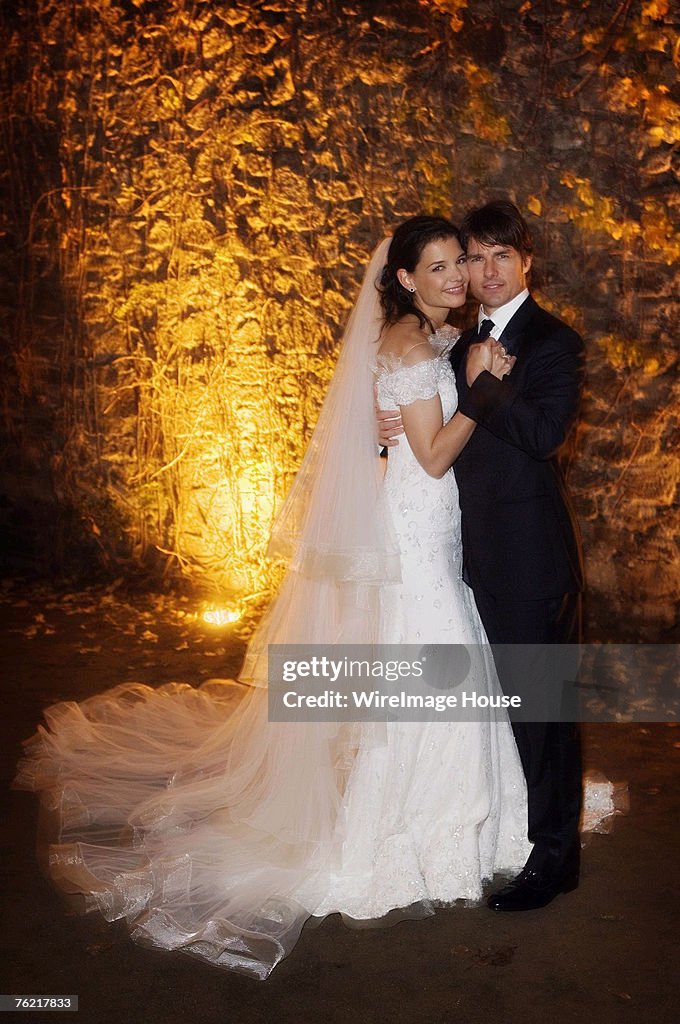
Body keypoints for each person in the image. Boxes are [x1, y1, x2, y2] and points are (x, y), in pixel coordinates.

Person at [14, 217, 529, 981]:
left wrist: (453, 370)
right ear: (405, 280)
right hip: (419, 524)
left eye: (460, 262)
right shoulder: (412, 343)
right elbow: (435, 450)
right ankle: (410, 834)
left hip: (425, 518)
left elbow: (397, 416)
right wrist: (481, 389)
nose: (457, 276)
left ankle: (455, 825)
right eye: (440, 266)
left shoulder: (419, 339)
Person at [378, 199, 585, 912]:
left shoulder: (553, 342)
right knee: (497, 711)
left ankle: (556, 860)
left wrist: (482, 385)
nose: (483, 270)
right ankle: (509, 827)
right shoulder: (457, 336)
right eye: (474, 256)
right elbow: (422, 423)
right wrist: (391, 431)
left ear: (526, 261)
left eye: (501, 255)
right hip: (465, 555)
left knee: (542, 714)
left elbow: (543, 433)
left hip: (527, 561)